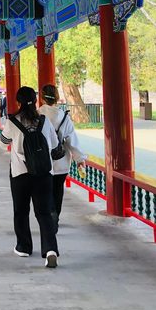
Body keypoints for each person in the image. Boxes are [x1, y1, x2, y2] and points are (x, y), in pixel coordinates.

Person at [0, 86, 60, 268]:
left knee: (21, 211)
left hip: (20, 174)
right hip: (43, 173)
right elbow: (54, 144)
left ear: (18, 102)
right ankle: (50, 249)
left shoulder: (13, 122)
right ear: (35, 101)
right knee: (44, 213)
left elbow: (2, 143)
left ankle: (24, 246)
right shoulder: (44, 120)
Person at [38, 85, 87, 232]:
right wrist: (79, 158)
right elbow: (71, 139)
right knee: (57, 192)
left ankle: (48, 218)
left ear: (41, 98)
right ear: (58, 97)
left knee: (44, 192)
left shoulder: (37, 115)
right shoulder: (64, 117)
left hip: (42, 161)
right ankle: (55, 217)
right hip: (61, 162)